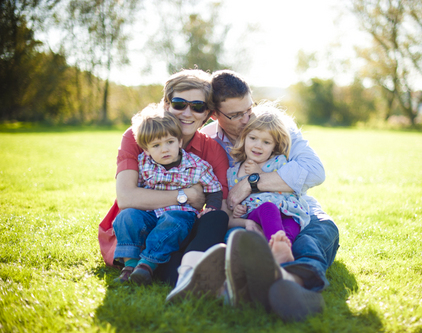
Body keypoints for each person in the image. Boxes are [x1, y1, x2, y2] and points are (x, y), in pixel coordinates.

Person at [200, 70, 340, 322]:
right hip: (246, 216)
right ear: (214, 115)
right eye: (235, 115)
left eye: (249, 109)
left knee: (317, 234)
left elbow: (315, 171)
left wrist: (252, 183)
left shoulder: (275, 124)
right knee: (238, 239)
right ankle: (255, 283)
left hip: (295, 209)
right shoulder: (208, 140)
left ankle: (291, 281)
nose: (246, 119)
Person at [98, 69, 230, 296]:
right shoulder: (138, 135)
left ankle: (202, 274)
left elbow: (220, 202)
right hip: (140, 225)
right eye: (179, 104)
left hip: (182, 224)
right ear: (167, 104)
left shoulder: (211, 150)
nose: (187, 113)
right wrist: (186, 195)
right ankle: (150, 268)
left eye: (197, 107)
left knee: (214, 219)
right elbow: (127, 197)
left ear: (207, 113)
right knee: (159, 250)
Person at [113, 106, 223, 285]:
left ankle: (147, 265)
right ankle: (129, 266)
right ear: (146, 150)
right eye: (156, 145)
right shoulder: (143, 163)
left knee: (173, 220)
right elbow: (135, 192)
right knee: (126, 216)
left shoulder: (198, 166)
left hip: (180, 216)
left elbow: (214, 189)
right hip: (150, 214)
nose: (164, 149)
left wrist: (211, 208)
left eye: (170, 142)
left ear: (179, 141)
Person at [227, 104, 311, 264]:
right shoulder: (233, 172)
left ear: (274, 146)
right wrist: (237, 209)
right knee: (268, 208)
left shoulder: (279, 161)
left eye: (266, 142)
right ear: (244, 138)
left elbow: (288, 184)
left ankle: (280, 255)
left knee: (288, 231)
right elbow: (233, 201)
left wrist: (261, 173)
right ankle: (277, 249)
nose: (258, 145)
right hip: (259, 213)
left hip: (289, 212)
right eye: (253, 138)